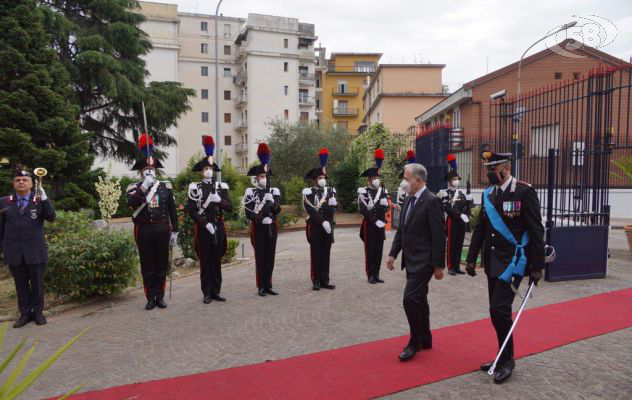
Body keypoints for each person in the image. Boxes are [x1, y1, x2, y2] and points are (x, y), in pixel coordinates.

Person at [465, 150, 545, 384]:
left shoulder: (524, 191)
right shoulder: (489, 194)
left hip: (513, 262)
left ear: (506, 169)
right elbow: (480, 228)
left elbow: (535, 230)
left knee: (498, 310)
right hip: (492, 261)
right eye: (488, 170)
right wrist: (472, 258)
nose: (489, 174)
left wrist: (537, 266)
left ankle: (508, 360)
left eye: (493, 170)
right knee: (496, 311)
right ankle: (501, 356)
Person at [386, 163, 445, 361]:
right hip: (410, 259)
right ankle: (426, 337)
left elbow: (439, 235)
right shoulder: (409, 199)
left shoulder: (432, 201)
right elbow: (402, 230)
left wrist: (438, 265)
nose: (404, 182)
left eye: (406, 178)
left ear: (418, 181)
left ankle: (415, 341)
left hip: (424, 261)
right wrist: (393, 253)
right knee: (420, 298)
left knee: (409, 298)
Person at [126, 134, 178, 310]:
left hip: (162, 230)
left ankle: (160, 296)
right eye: (147, 169)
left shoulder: (165, 186)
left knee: (161, 265)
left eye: (152, 168)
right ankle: (150, 297)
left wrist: (175, 231)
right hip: (144, 230)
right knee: (147, 265)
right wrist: (143, 187)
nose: (150, 171)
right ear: (141, 171)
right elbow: (131, 204)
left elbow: (172, 210)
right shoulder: (133, 187)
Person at [0, 165, 56, 328]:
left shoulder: (38, 200)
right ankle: (24, 314)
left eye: (25, 180)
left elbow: (51, 217)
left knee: (37, 284)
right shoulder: (4, 201)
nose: (21, 182)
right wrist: (4, 249)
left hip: (35, 252)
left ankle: (38, 313)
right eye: (18, 180)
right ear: (13, 183)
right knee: (20, 285)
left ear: (32, 184)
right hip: (14, 252)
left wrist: (45, 199)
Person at [187, 136, 233, 304]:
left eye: (211, 168)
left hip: (218, 227)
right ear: (201, 171)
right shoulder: (195, 187)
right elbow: (192, 211)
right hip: (204, 228)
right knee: (205, 261)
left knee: (216, 260)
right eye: (206, 168)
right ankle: (206, 292)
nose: (208, 170)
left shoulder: (221, 187)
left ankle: (216, 291)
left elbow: (230, 208)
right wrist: (205, 223)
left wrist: (219, 200)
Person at [243, 143, 281, 297]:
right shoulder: (251, 192)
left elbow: (278, 210)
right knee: (260, 257)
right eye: (261, 176)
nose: (264, 179)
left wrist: (272, 203)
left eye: (265, 176)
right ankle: (261, 286)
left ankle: (269, 284)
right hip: (259, 228)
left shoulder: (274, 191)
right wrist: (260, 220)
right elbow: (249, 213)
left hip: (272, 227)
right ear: (256, 178)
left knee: (270, 257)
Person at [303, 148, 337, 291]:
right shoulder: (308, 192)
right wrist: (322, 222)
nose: (322, 180)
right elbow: (310, 209)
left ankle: (325, 280)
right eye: (320, 178)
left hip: (328, 227)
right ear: (315, 180)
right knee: (316, 254)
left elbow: (335, 208)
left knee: (326, 254)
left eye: (323, 178)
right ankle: (316, 280)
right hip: (316, 227)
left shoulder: (331, 191)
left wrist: (335, 205)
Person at [437, 154, 473, 275]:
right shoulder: (444, 193)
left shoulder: (462, 193)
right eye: (454, 179)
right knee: (451, 244)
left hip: (462, 221)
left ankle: (457, 266)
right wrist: (459, 215)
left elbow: (467, 206)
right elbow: (447, 207)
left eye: (457, 179)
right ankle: (451, 266)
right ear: (449, 181)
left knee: (459, 243)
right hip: (452, 221)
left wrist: (467, 214)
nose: (456, 181)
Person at [358, 149, 389, 284]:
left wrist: (385, 205)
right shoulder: (363, 192)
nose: (377, 180)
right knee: (370, 251)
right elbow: (363, 209)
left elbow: (386, 208)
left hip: (380, 225)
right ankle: (370, 274)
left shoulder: (382, 191)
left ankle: (376, 273)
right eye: (375, 178)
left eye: (378, 178)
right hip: (370, 225)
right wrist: (375, 221)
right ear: (369, 179)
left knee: (379, 251)